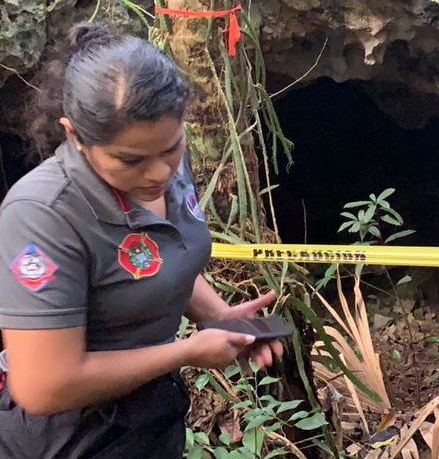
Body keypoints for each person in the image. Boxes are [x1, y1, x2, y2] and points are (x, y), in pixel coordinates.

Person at [0, 23, 283, 458]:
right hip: (69, 436)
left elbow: (159, 263)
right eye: (129, 160)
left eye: (170, 148)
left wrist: (221, 318)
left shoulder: (163, 161)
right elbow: (42, 386)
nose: (158, 173)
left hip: (150, 411)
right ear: (74, 135)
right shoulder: (42, 216)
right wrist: (186, 352)